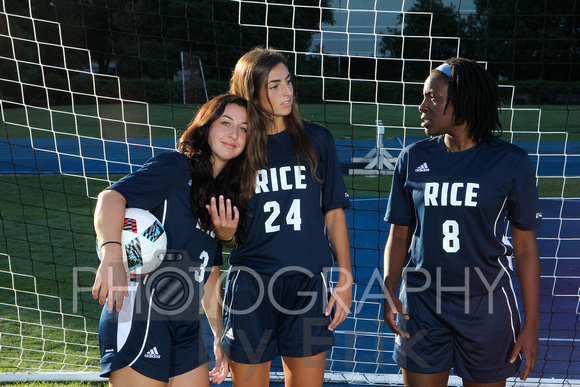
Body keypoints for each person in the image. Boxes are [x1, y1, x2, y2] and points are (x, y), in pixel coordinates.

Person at [382, 57, 542, 386]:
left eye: (434, 97)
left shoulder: (511, 162)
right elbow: (399, 236)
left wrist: (532, 326)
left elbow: (525, 247)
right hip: (422, 304)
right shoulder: (413, 157)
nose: (422, 105)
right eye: (425, 96)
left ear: (464, 103)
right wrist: (389, 287)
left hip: (486, 307)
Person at [92, 94, 253, 387]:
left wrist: (218, 335)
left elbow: (210, 273)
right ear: (206, 126)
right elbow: (110, 197)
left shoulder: (221, 196)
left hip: (186, 321)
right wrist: (112, 256)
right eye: (226, 122)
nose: (234, 133)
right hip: (141, 308)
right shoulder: (176, 167)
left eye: (243, 128)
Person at [221, 47, 353, 387]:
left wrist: (345, 278)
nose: (288, 92)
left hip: (307, 285)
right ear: (251, 93)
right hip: (252, 285)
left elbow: (334, 212)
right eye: (275, 85)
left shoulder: (317, 139)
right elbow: (226, 231)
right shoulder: (235, 148)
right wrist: (225, 234)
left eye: (288, 82)